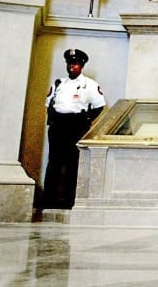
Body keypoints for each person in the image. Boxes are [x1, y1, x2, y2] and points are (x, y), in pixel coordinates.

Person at [42, 48, 106, 209]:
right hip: (58, 126)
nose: (72, 66)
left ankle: (69, 200)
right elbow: (49, 104)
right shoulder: (58, 84)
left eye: (75, 64)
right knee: (54, 162)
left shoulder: (89, 85)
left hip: (76, 127)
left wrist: (86, 119)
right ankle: (49, 199)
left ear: (81, 66)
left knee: (72, 163)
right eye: (70, 63)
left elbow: (99, 106)